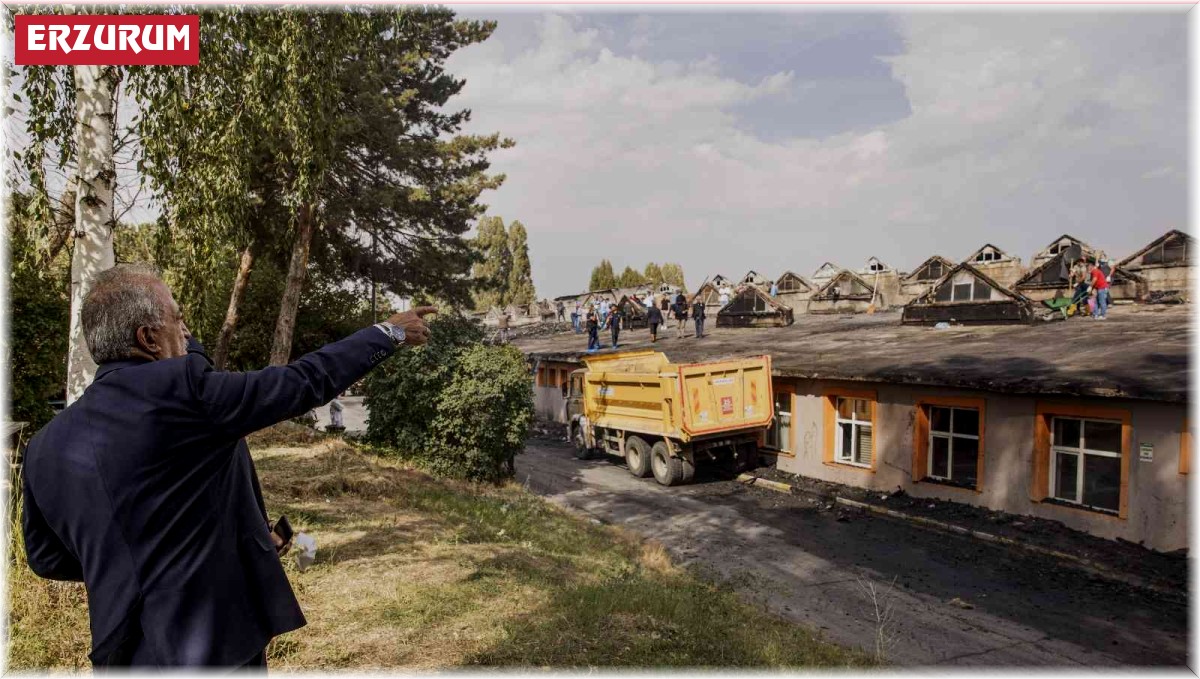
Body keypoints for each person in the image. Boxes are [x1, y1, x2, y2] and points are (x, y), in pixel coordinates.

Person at [20, 264, 434, 669]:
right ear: (147, 338)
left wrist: (129, 567)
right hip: (211, 647)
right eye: (178, 320)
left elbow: (46, 558)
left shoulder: (44, 446)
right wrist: (389, 332)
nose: (187, 334)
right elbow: (303, 381)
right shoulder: (184, 391)